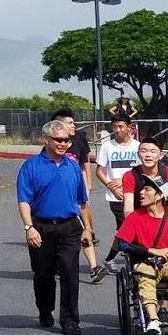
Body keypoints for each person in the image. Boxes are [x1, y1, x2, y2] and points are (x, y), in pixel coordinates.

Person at [17, 119, 93, 335]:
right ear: (46, 139)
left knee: (70, 272)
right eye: (58, 139)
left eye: (66, 140)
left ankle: (70, 319)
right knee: (43, 274)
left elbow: (82, 202)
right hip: (41, 227)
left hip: (69, 227)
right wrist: (28, 227)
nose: (63, 144)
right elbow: (23, 200)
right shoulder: (31, 167)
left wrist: (87, 228)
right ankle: (44, 309)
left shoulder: (72, 167)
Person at [114, 177, 168, 335]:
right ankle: (153, 320)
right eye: (142, 189)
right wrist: (151, 251)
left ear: (159, 196)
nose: (141, 192)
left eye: (147, 189)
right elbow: (122, 245)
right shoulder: (134, 218)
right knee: (146, 275)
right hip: (144, 262)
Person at [53, 108, 106, 283]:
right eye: (69, 123)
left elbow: (84, 164)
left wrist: (88, 185)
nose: (73, 125)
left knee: (84, 228)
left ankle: (94, 267)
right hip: (59, 198)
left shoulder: (79, 140)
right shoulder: (50, 147)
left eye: (73, 122)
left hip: (76, 193)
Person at [94, 116, 140, 230]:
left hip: (134, 193)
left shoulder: (137, 146)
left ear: (129, 127)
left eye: (120, 126)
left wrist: (124, 180)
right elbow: (99, 171)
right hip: (116, 196)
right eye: (114, 127)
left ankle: (118, 248)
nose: (117, 130)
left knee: (131, 226)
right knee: (124, 226)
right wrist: (112, 188)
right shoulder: (107, 146)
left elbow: (141, 170)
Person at [123, 141, 168, 220]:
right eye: (143, 151)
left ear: (161, 155)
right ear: (138, 154)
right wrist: (130, 222)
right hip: (139, 218)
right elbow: (128, 203)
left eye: (153, 151)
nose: (148, 155)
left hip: (164, 218)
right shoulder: (130, 175)